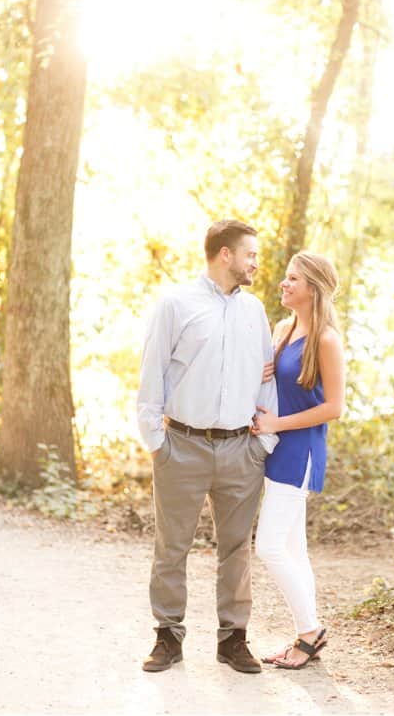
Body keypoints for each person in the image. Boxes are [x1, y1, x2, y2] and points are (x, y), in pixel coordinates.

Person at [137, 220, 279, 674]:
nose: (256, 262)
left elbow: (266, 378)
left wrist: (265, 441)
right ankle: (168, 637)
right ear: (225, 255)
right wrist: (157, 442)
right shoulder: (176, 305)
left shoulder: (254, 310)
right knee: (171, 546)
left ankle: (233, 639)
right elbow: (152, 373)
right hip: (182, 445)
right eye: (250, 254)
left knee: (236, 549)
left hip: (241, 450)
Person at [251, 252, 345, 669]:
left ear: (313, 289)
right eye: (285, 277)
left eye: (293, 279)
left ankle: (310, 632)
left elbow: (334, 408)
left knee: (269, 546)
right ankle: (308, 633)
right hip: (276, 446)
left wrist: (278, 422)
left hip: (301, 450)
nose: (284, 284)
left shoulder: (326, 339)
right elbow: (271, 385)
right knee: (294, 547)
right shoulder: (283, 328)